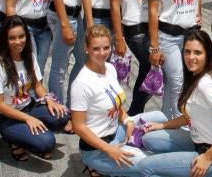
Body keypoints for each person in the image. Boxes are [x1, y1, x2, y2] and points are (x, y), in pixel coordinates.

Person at [138, 29, 212, 177]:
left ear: (208, 54)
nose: (191, 57)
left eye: (197, 53)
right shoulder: (194, 76)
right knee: (148, 139)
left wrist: (207, 157)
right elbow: (192, 115)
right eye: (187, 52)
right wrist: (162, 125)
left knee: (145, 168)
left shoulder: (206, 84)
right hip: (198, 142)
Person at [71, 24, 167, 177]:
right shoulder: (81, 84)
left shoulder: (110, 68)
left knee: (159, 117)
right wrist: (109, 149)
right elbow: (77, 126)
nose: (102, 53)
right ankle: (97, 167)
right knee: (151, 166)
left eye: (106, 48)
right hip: (97, 149)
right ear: (86, 48)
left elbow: (116, 102)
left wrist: (128, 120)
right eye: (96, 49)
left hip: (116, 130)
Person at [0, 16, 69, 161]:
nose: (18, 42)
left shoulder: (29, 56)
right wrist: (28, 119)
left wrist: (49, 100)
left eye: (21, 36)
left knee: (62, 115)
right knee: (47, 143)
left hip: (29, 106)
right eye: (12, 38)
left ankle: (30, 134)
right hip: (7, 117)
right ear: (4, 40)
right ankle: (15, 140)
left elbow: (37, 86)